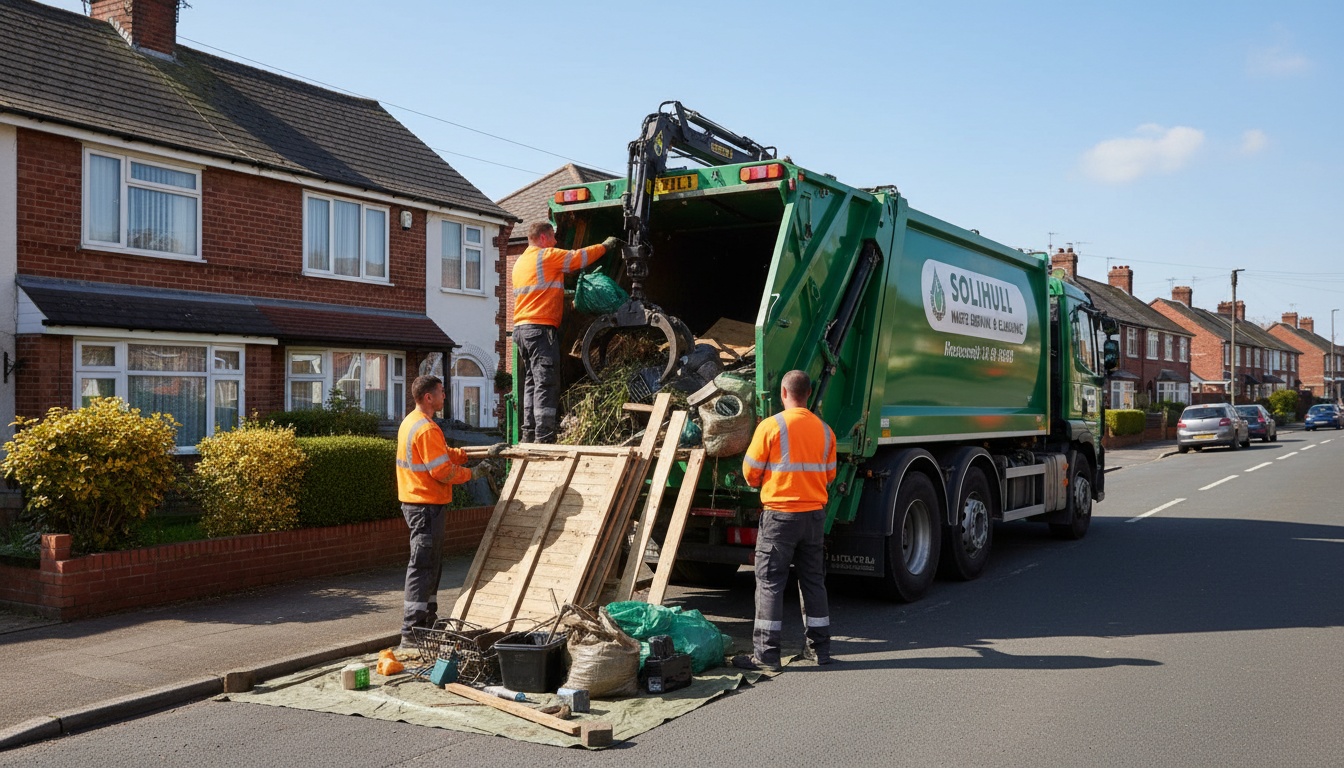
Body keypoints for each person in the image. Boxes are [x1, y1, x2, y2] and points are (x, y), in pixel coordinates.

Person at [735, 370, 837, 670]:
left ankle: (766, 656)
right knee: (813, 582)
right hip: (814, 518)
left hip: (780, 517)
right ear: (808, 394)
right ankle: (820, 650)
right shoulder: (826, 430)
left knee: (769, 584)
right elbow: (829, 475)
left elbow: (751, 474)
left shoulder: (771, 426)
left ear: (783, 393)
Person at [512, 221, 623, 443]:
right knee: (546, 381)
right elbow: (577, 258)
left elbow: (539, 291)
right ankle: (544, 436)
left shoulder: (520, 262)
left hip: (521, 329)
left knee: (532, 382)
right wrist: (605, 246)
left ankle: (529, 434)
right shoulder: (546, 256)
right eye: (552, 237)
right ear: (543, 238)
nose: (555, 241)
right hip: (540, 328)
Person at [396, 375, 477, 648]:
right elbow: (441, 470)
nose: (445, 396)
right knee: (422, 567)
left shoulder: (412, 422)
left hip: (418, 504)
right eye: (441, 392)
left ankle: (427, 622)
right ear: (428, 397)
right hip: (426, 506)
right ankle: (412, 631)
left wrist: (469, 455)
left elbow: (440, 454)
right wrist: (472, 473)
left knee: (430, 566)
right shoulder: (427, 429)